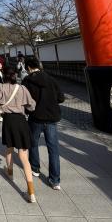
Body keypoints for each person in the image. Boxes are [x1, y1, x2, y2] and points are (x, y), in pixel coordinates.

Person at [0, 67, 37, 202]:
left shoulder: (1, 87)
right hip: (21, 121)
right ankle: (31, 191)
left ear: (4, 76)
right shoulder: (22, 88)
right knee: (23, 155)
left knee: (9, 148)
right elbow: (32, 105)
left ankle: (9, 171)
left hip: (9, 121)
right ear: (15, 76)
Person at [23, 57, 65, 190]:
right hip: (51, 117)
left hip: (35, 117)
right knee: (53, 149)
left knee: (33, 143)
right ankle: (55, 180)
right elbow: (61, 98)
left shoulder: (27, 81)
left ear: (29, 67)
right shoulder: (51, 79)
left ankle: (35, 168)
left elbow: (25, 100)